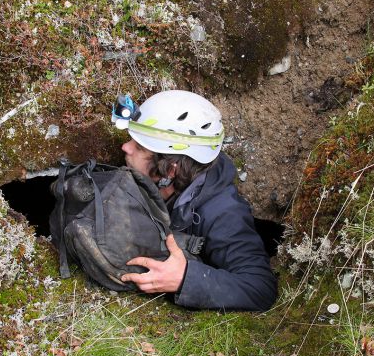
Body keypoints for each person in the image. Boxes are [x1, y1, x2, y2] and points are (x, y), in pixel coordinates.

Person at [112, 90, 277, 311]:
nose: (126, 147)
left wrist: (184, 279)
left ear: (170, 169)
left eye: (140, 147)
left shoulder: (223, 213)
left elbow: (260, 287)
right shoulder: (155, 179)